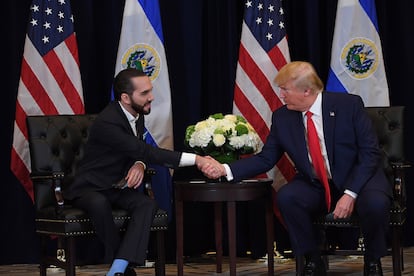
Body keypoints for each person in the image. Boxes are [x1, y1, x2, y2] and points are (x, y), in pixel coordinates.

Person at [201, 61, 391, 276]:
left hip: (359, 178)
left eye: (285, 89)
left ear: (306, 91)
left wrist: (350, 193)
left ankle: (373, 260)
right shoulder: (283, 117)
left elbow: (370, 153)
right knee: (288, 197)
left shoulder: (348, 105)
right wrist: (225, 169)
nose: (281, 95)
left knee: (376, 203)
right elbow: (266, 158)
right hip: (317, 182)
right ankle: (312, 258)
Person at [64, 68, 212, 276]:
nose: (151, 97)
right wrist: (196, 159)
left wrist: (140, 164)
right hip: (90, 187)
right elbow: (144, 150)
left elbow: (138, 150)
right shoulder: (108, 122)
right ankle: (122, 267)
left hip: (116, 186)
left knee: (147, 204)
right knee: (98, 203)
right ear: (125, 97)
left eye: (150, 90)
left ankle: (119, 266)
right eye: (144, 93)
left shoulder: (136, 112)